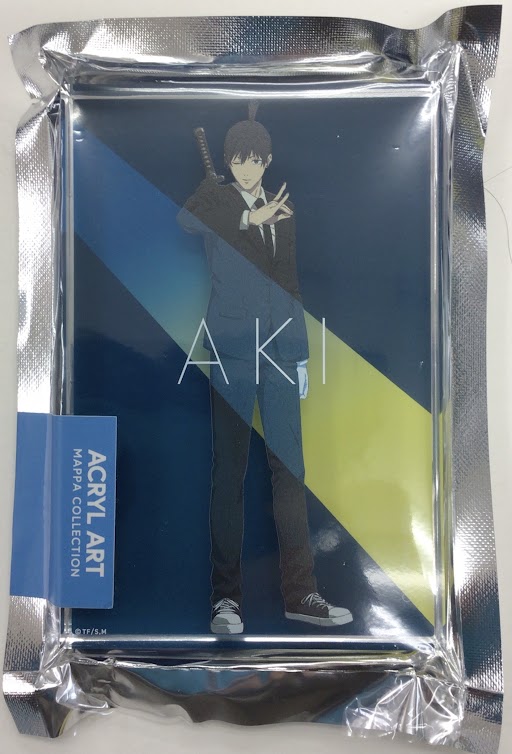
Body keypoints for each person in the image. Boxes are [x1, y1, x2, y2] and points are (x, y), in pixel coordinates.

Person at [178, 108, 353, 634]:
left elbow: (289, 283)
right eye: (238, 160)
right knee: (229, 474)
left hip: (279, 352)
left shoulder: (284, 208)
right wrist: (244, 221)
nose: (246, 168)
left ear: (268, 160)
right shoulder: (214, 199)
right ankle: (225, 601)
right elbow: (186, 220)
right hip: (232, 351)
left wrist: (299, 354)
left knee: (290, 473)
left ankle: (302, 593)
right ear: (228, 161)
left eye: (255, 160)